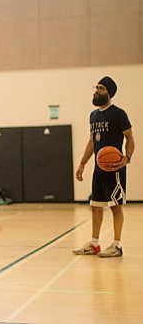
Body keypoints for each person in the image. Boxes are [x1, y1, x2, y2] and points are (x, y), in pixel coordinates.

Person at [73, 76, 135, 258]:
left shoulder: (118, 114)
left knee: (115, 206)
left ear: (109, 92)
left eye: (100, 88)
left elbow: (130, 138)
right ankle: (94, 244)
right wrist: (82, 164)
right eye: (96, 87)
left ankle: (117, 245)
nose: (96, 91)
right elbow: (92, 142)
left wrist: (127, 157)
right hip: (98, 168)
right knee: (95, 205)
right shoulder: (93, 115)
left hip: (115, 168)